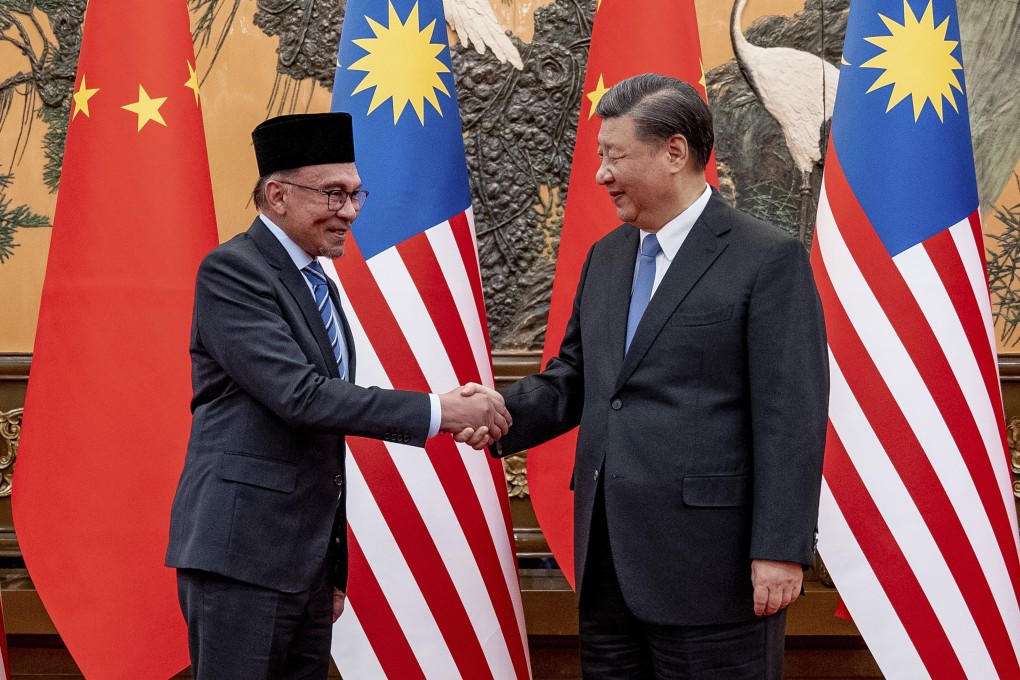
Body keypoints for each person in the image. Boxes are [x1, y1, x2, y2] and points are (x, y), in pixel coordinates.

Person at [461, 74, 828, 678]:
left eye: (614, 156)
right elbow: (579, 377)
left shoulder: (766, 259)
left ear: (674, 152)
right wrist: (497, 413)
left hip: (716, 572)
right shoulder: (607, 256)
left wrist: (780, 551)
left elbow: (792, 414)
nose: (600, 174)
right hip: (608, 567)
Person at [165, 112, 509, 679]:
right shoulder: (234, 272)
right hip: (243, 558)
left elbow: (321, 440)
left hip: (303, 568)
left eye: (355, 194)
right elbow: (301, 398)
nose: (349, 211)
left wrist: (331, 570)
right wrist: (440, 411)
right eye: (333, 194)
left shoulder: (317, 279)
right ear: (276, 194)